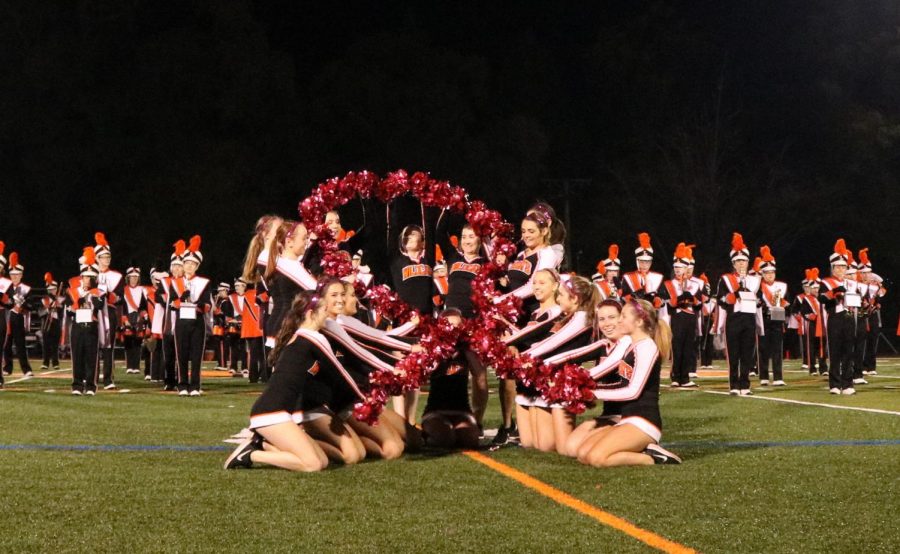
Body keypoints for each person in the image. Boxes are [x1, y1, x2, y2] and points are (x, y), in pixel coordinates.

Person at [223, 291, 333, 472]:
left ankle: (261, 444)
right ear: (309, 313)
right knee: (312, 464)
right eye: (324, 309)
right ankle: (249, 455)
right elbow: (338, 373)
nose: (327, 314)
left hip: (281, 412)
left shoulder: (304, 337)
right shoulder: (311, 337)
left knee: (322, 461)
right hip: (270, 412)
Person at [575, 299, 682, 466]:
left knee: (597, 458)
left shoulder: (646, 347)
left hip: (644, 422)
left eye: (624, 316)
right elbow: (621, 384)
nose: (619, 320)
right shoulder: (631, 346)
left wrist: (591, 392)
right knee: (582, 453)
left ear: (638, 322)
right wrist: (587, 386)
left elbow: (632, 391)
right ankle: (642, 449)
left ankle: (651, 457)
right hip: (628, 418)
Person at [512, 274, 597, 454]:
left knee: (565, 449)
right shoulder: (568, 317)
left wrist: (523, 359)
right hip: (549, 381)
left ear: (575, 298)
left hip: (563, 382)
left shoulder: (581, 317)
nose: (557, 299)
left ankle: (601, 437)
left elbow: (552, 344)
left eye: (561, 295)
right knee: (536, 445)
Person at [495, 210, 560, 444]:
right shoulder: (521, 253)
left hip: (534, 316)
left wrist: (502, 300)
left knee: (533, 369)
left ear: (544, 231)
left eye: (532, 231)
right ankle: (508, 425)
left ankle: (544, 422)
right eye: (523, 231)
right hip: (512, 318)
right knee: (508, 372)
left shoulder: (548, 253)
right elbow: (512, 281)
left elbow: (535, 286)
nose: (526, 235)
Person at [549, 299, 626, 457]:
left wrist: (574, 384)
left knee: (577, 449)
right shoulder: (605, 344)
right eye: (602, 319)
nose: (606, 323)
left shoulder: (627, 344)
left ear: (622, 318)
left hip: (628, 416)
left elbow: (600, 373)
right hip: (608, 415)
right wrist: (538, 366)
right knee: (568, 448)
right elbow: (570, 356)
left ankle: (639, 445)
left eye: (612, 317)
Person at [434, 220, 489, 428]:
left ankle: (478, 420)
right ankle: (443, 416)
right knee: (446, 373)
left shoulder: (485, 263)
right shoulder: (453, 257)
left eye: (471, 236)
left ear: (479, 240)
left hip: (474, 323)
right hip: (449, 322)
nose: (467, 241)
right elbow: (440, 232)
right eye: (464, 236)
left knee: (480, 376)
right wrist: (449, 208)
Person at [421, 308, 480, 449]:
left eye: (457, 326)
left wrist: (468, 349)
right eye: (449, 325)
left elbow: (480, 376)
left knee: (470, 441)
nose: (453, 330)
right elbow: (429, 374)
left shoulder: (466, 350)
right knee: (445, 438)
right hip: (435, 411)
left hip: (462, 411)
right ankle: (423, 434)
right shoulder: (433, 348)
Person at [715, 233, 762, 396]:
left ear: (748, 262)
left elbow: (761, 299)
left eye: (744, 261)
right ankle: (734, 384)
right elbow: (720, 299)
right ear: (733, 263)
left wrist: (755, 299)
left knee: (747, 353)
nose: (741, 264)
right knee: (734, 353)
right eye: (738, 261)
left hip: (749, 318)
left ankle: (745, 384)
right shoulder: (726, 279)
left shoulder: (755, 280)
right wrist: (732, 295)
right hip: (733, 319)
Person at [264, 220, 317, 355]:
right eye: (304, 238)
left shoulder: (282, 263)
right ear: (289, 242)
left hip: (281, 326)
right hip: (288, 329)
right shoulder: (290, 267)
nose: (307, 241)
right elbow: (319, 292)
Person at [819, 239, 860, 395]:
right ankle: (835, 384)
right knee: (835, 351)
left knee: (849, 351)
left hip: (849, 317)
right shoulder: (826, 282)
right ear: (833, 268)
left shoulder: (852, 283)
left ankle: (848, 384)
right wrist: (834, 293)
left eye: (844, 266)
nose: (841, 269)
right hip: (835, 318)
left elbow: (858, 299)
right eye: (838, 267)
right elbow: (821, 298)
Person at [658, 243, 701, 388]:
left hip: (690, 317)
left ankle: (685, 377)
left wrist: (692, 298)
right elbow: (664, 302)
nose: (677, 270)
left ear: (686, 268)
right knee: (677, 347)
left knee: (688, 347)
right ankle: (676, 377)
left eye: (680, 268)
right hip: (676, 317)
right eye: (675, 268)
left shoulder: (695, 285)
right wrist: (677, 300)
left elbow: (699, 304)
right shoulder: (668, 284)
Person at [173, 236, 211, 396]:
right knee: (181, 354)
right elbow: (172, 304)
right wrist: (181, 300)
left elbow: (208, 305)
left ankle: (195, 385)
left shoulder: (204, 282)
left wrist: (198, 305)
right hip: (181, 322)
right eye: (187, 263)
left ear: (197, 266)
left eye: (192, 264)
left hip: (197, 322)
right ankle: (182, 385)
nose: (189, 266)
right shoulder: (175, 282)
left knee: (196, 355)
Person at [65, 249, 105, 396]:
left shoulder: (99, 292)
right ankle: (77, 385)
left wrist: (91, 297)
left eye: (91, 277)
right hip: (77, 326)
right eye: (86, 277)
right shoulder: (72, 291)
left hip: (91, 327)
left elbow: (100, 306)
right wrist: (78, 302)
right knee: (77, 357)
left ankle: (90, 386)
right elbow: (69, 311)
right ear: (81, 277)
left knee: (91, 357)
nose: (88, 280)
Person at [93, 233, 123, 391]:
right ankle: (92, 376)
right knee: (93, 345)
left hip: (109, 313)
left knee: (108, 346)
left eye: (108, 257)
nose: (106, 260)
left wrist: (108, 294)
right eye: (103, 257)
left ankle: (108, 378)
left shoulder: (116, 276)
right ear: (97, 258)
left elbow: (120, 298)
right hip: (93, 312)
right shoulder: (91, 274)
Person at [758, 246, 788, 387]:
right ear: (762, 274)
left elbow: (785, 301)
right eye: (766, 273)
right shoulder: (758, 286)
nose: (770, 275)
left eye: (772, 273)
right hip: (763, 318)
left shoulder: (782, 286)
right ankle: (763, 376)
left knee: (777, 348)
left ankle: (778, 377)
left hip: (776, 319)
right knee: (763, 348)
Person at [2, 252, 33, 377]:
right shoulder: (5, 287)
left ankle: (26, 369)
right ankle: (7, 368)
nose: (14, 277)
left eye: (17, 275)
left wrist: (23, 304)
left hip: (19, 318)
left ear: (21, 275)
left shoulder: (26, 289)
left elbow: (31, 306)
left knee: (21, 345)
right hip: (6, 318)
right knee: (6, 345)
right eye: (12, 275)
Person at [858, 249, 886, 376]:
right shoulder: (857, 284)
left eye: (868, 272)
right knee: (861, 339)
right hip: (861, 314)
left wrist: (877, 302)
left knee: (873, 339)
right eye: (863, 273)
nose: (866, 275)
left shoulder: (875, 285)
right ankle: (862, 365)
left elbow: (881, 296)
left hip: (873, 314)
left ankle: (871, 365)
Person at [621, 233, 664, 310]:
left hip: (652, 311)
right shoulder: (627, 277)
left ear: (651, 262)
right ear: (637, 261)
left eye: (647, 262)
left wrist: (657, 299)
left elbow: (662, 295)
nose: (644, 265)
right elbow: (623, 295)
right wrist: (633, 298)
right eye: (642, 262)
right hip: (634, 311)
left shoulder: (658, 277)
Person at [121, 266, 148, 375]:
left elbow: (144, 305)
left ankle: (136, 366)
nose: (134, 279)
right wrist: (124, 319)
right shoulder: (124, 290)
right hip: (127, 316)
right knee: (128, 342)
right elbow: (122, 306)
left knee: (137, 342)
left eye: (136, 277)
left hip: (138, 317)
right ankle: (129, 366)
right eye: (131, 277)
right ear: (128, 278)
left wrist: (141, 317)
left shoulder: (143, 290)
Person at [39, 273, 64, 370]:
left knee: (55, 345)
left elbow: (62, 315)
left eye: (53, 289)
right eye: (50, 289)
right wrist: (47, 309)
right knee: (45, 345)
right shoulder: (44, 299)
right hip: (45, 324)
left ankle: (55, 363)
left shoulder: (61, 300)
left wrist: (58, 308)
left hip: (56, 324)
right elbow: (39, 312)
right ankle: (45, 363)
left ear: (57, 289)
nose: (52, 291)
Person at [210, 282, 232, 370]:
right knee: (218, 345)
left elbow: (225, 315)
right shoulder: (221, 301)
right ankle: (220, 363)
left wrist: (215, 309)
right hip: (218, 326)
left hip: (222, 327)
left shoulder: (226, 301)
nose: (219, 293)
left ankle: (222, 364)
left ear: (226, 291)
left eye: (221, 291)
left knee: (222, 345)